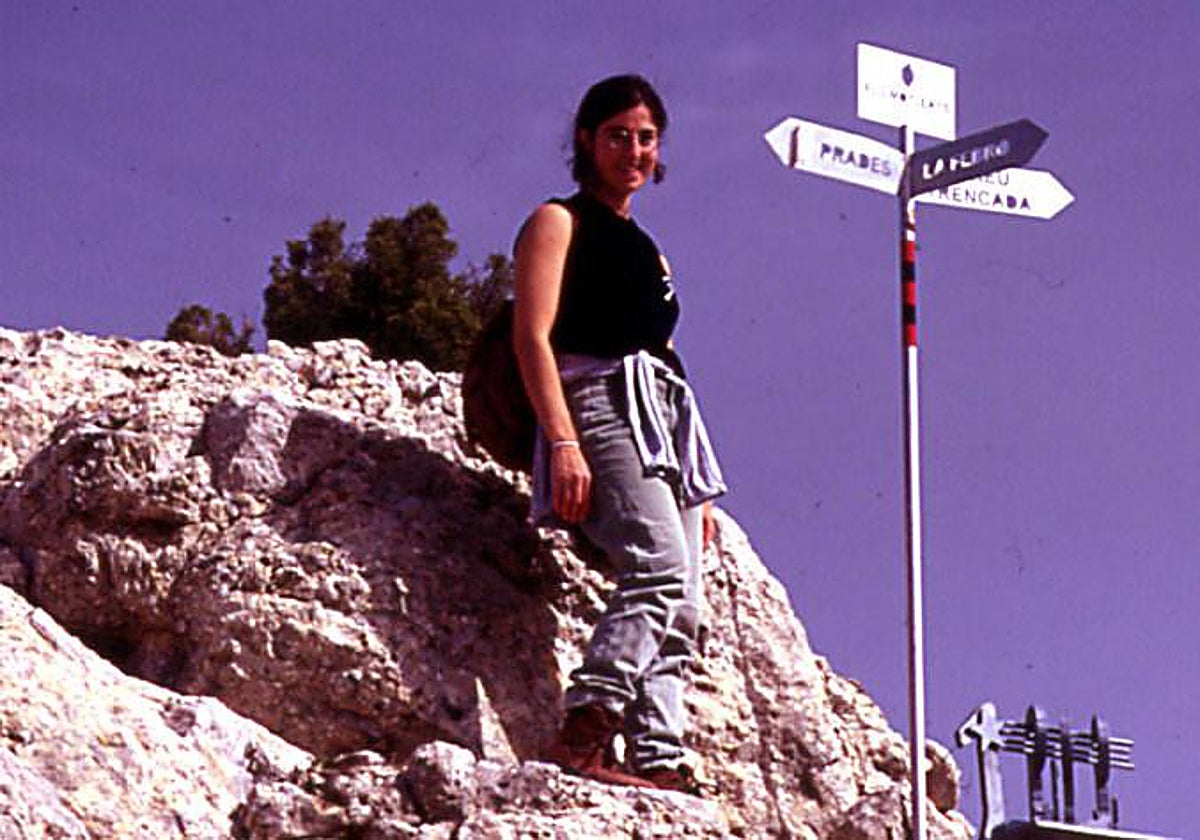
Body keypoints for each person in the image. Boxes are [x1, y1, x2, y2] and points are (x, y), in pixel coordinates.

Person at [512, 74, 726, 795]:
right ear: (586, 140)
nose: (633, 150)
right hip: (599, 399)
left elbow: (666, 356)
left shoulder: (650, 252)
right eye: (618, 136)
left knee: (683, 598)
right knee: (658, 566)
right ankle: (586, 726)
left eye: (646, 138)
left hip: (665, 417)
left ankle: (657, 752)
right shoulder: (557, 220)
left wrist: (698, 488)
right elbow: (532, 337)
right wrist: (563, 443)